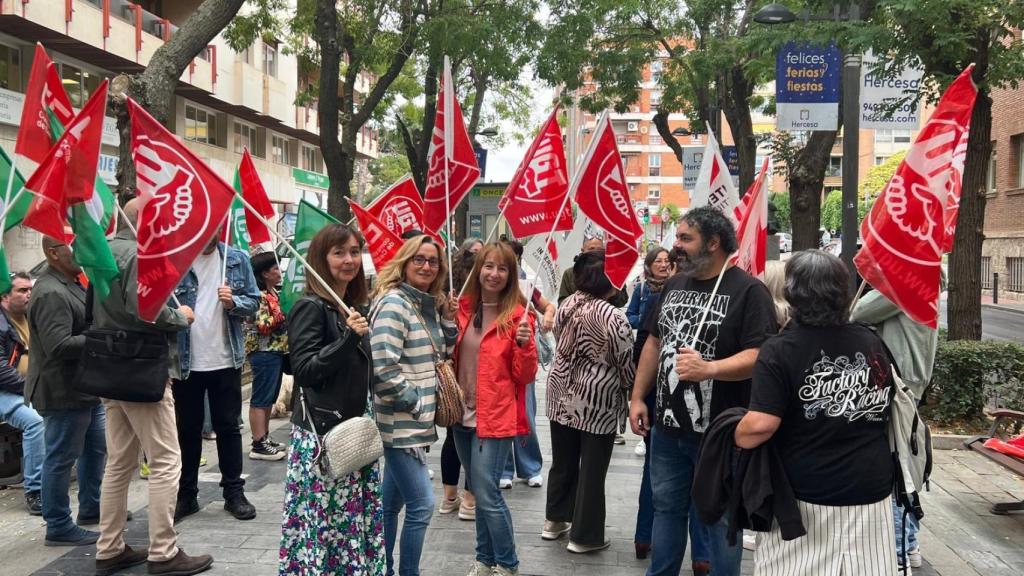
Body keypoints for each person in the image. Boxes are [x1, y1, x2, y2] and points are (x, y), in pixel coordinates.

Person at [629, 206, 778, 576]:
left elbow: (761, 355)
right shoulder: (675, 285)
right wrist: (637, 397)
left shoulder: (749, 291)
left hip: (721, 435)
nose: (675, 246)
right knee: (666, 509)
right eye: (677, 236)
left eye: (685, 238)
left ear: (713, 243)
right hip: (666, 430)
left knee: (721, 518)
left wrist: (709, 369)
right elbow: (653, 342)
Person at [735, 250, 898, 575]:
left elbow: (759, 426)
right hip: (871, 490)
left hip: (805, 496)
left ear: (792, 293)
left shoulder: (780, 349)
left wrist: (733, 433)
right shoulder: (871, 342)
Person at [93, 198, 212, 576]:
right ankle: (163, 551)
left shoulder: (103, 250)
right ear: (143, 220)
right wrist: (181, 316)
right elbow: (147, 311)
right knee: (164, 461)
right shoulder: (143, 257)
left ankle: (109, 547)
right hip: (142, 370)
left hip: (108, 368)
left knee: (118, 463)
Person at [280, 223, 383, 575]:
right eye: (338, 253)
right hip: (323, 438)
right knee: (324, 524)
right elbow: (305, 370)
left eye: (354, 251)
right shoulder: (311, 307)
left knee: (349, 523)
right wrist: (348, 340)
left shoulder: (350, 307)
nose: (349, 260)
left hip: (353, 433)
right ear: (321, 260)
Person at [370, 235, 458, 576]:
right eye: (418, 260)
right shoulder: (394, 304)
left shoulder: (423, 303)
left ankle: (382, 569)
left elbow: (441, 352)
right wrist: (418, 404)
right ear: (404, 263)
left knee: (389, 505)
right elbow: (383, 368)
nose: (426, 266)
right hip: (400, 424)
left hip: (412, 424)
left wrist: (447, 318)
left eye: (432, 261)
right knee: (422, 505)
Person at [453, 242, 538, 576]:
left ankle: (507, 564)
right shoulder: (462, 308)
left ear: (511, 274)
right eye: (488, 266)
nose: (494, 274)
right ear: (479, 269)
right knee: (477, 487)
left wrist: (525, 344)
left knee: (487, 493)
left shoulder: (517, 316)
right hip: (461, 414)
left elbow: (525, 376)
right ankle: (484, 560)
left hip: (496, 416)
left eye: (502, 268)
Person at [543, 250, 635, 553]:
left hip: (560, 392)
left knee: (563, 461)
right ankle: (585, 534)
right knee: (593, 468)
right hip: (597, 399)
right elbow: (625, 362)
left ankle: (555, 520)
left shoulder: (567, 304)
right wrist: (631, 389)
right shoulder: (613, 317)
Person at [851, 273, 943, 571]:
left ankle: (901, 548)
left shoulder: (908, 280)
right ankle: (909, 542)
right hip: (909, 381)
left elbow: (858, 311)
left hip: (898, 382)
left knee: (896, 464)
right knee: (902, 460)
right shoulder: (923, 275)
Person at [629, 248, 713, 570]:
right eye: (662, 263)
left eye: (671, 262)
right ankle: (692, 553)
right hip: (661, 408)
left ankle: (655, 541)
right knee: (675, 488)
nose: (667, 267)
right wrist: (639, 398)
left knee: (670, 485)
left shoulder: (731, 293)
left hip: (683, 410)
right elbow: (647, 345)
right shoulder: (662, 295)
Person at [171, 233, 260, 522]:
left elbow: (254, 301)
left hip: (226, 359)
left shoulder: (236, 259)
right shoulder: (176, 258)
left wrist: (235, 302)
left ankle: (234, 492)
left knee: (229, 429)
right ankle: (187, 494)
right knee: (187, 431)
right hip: (187, 362)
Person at [26, 239, 106, 546]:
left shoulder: (71, 282)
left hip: (84, 389)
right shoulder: (49, 291)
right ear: (53, 252)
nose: (82, 249)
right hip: (62, 391)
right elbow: (58, 346)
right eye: (74, 243)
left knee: (94, 449)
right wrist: (100, 335)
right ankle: (57, 524)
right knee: (60, 458)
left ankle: (91, 507)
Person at [499, 238, 552, 490]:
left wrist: (547, 318)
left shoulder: (526, 286)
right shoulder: (488, 286)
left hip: (524, 357)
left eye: (507, 262)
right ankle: (504, 468)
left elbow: (547, 307)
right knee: (502, 415)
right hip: (498, 360)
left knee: (526, 413)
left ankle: (530, 466)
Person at [440, 237, 482, 519]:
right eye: (473, 254)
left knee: (478, 440)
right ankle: (450, 496)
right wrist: (448, 315)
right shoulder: (449, 292)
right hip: (455, 378)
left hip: (481, 378)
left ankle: (470, 497)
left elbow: (532, 303)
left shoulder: (493, 294)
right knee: (454, 439)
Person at [0, 271, 44, 516]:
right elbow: (1, 372)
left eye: (30, 289)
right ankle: (34, 490)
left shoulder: (33, 316)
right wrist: (32, 390)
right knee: (35, 422)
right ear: (5, 296)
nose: (29, 294)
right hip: (7, 391)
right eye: (22, 290)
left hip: (30, 387)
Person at [245, 251, 288, 461]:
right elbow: (263, 325)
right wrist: (282, 316)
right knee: (261, 398)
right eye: (275, 269)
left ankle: (265, 437)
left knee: (269, 397)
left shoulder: (274, 292)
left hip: (276, 350)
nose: (279, 272)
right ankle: (258, 443)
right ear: (264, 273)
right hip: (264, 351)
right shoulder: (259, 296)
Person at [557, 236, 628, 307]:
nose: (595, 252)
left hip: (606, 315)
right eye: (592, 249)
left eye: (599, 249)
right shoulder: (570, 273)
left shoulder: (613, 272)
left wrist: (612, 290)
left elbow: (622, 301)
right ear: (583, 250)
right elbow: (562, 303)